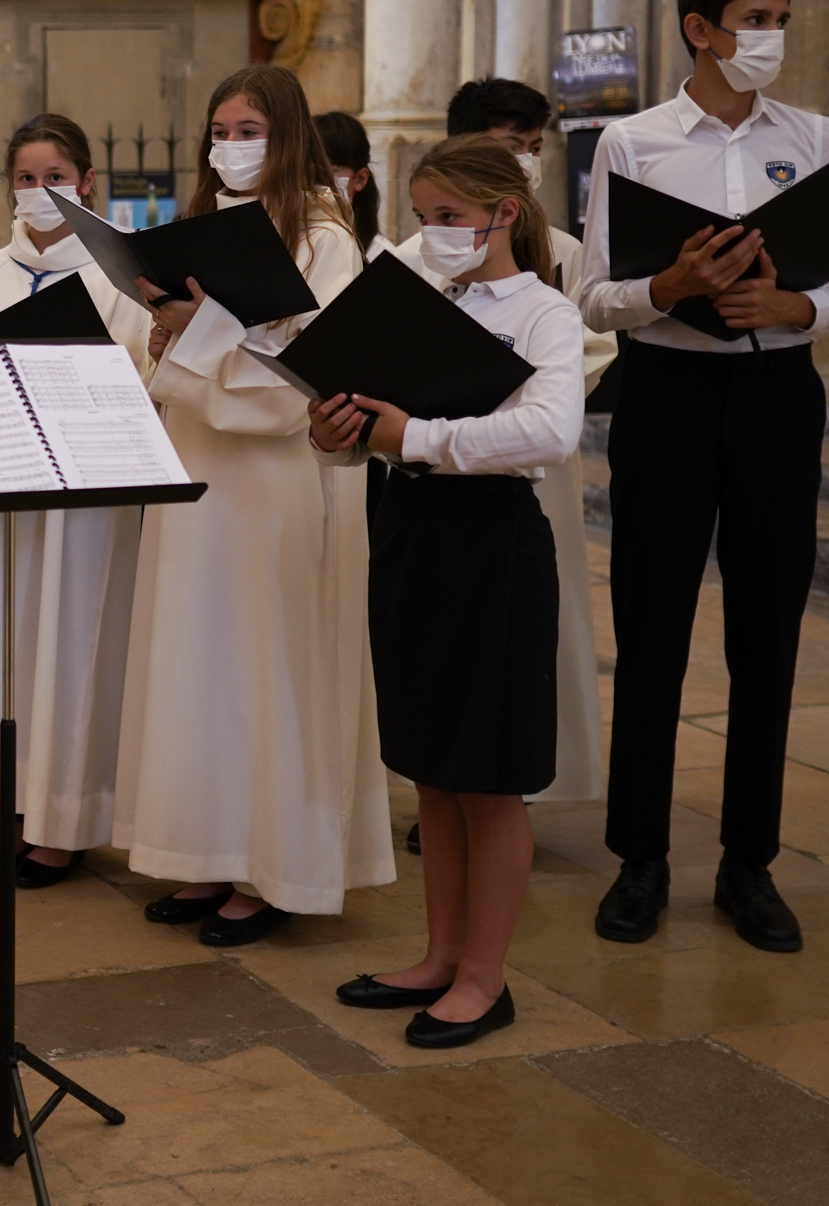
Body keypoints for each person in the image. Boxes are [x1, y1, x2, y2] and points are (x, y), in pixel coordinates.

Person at [575, 0, 829, 952]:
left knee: (766, 632)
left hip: (776, 394)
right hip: (666, 392)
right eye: (752, 19)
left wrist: (794, 302)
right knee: (651, 626)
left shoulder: (819, 139)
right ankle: (639, 859)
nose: (768, 39)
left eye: (779, 19)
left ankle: (750, 863)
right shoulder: (633, 141)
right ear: (700, 29)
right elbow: (595, 292)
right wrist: (670, 288)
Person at [312, 137, 583, 1047]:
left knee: (488, 773)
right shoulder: (416, 296)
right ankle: (436, 955)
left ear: (504, 213)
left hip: (491, 541)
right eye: (423, 219)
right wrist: (337, 426)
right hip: (409, 529)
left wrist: (417, 434)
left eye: (450, 220)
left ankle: (482, 974)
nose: (432, 235)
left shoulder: (541, 309)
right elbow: (368, 412)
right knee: (430, 761)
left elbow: (550, 429)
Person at [115, 65, 390, 944]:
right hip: (196, 470)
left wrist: (195, 339)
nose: (227, 146)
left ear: (287, 137)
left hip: (273, 479)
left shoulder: (324, 241)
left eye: (247, 130)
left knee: (263, 673)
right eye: (218, 129)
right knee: (196, 665)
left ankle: (270, 867)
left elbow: (306, 380)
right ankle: (204, 853)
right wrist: (161, 325)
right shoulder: (202, 230)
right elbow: (164, 355)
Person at [0, 116, 156, 886]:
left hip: (81, 499)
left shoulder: (117, 277)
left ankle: (63, 822)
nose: (40, 194)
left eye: (56, 178)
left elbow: (144, 379)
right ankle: (8, 814)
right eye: (26, 180)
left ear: (87, 183)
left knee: (69, 648)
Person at [400, 78, 615, 811]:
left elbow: (579, 368)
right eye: (506, 145)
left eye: (530, 146)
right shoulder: (409, 265)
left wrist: (433, 424)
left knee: (509, 677)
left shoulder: (553, 272)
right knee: (435, 709)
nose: (522, 159)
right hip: (424, 505)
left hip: (513, 486)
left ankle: (515, 783)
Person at [312, 110, 384, 261]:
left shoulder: (380, 255)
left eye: (329, 172)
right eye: (308, 172)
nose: (314, 182)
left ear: (359, 180)